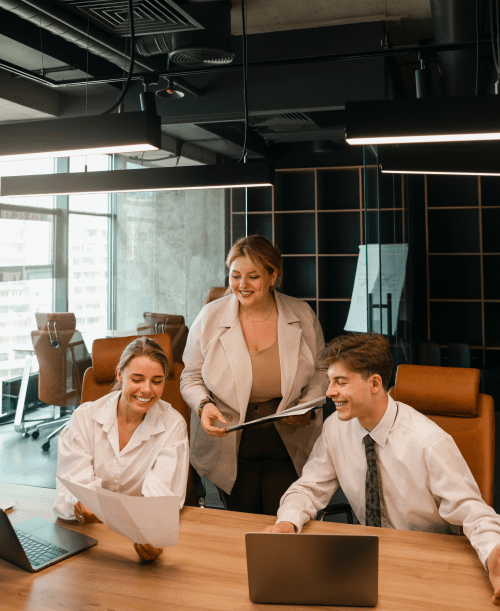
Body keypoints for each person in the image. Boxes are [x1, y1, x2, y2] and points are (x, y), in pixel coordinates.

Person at [263, 333, 500, 607]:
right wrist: (287, 522)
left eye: (340, 382)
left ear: (374, 383)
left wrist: (493, 555)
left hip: (428, 564)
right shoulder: (335, 428)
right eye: (330, 381)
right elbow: (309, 487)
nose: (329, 392)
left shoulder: (428, 442)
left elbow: (475, 512)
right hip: (367, 562)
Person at [181, 235, 327, 514]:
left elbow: (322, 370)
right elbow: (190, 376)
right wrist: (203, 405)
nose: (242, 285)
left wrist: (306, 405)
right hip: (230, 440)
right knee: (240, 525)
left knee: (284, 517)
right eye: (235, 276)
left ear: (273, 275)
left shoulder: (302, 313)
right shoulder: (210, 316)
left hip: (288, 437)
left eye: (253, 276)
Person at [54, 336, 189, 562]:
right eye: (137, 379)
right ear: (119, 374)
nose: (146, 390)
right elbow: (70, 490)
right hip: (87, 539)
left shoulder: (173, 424)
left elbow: (161, 500)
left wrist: (151, 535)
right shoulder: (85, 418)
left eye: (157, 381)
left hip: (136, 541)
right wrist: (78, 505)